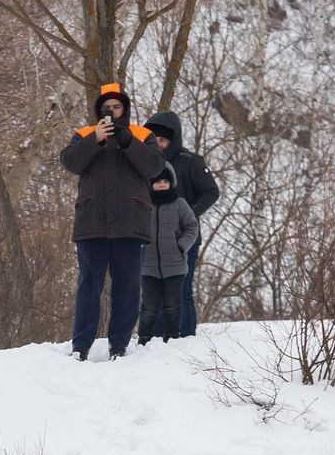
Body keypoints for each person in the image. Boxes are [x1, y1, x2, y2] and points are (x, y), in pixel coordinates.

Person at [59, 81, 168, 360]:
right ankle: (80, 346)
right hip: (91, 222)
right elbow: (70, 162)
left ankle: (118, 345)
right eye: (106, 108)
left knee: (127, 288)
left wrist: (128, 141)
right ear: (99, 111)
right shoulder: (84, 133)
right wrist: (94, 140)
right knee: (89, 287)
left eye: (116, 107)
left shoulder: (142, 135)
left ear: (125, 108)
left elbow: (154, 167)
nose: (111, 112)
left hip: (131, 223)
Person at [141, 111, 218, 336]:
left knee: (181, 291)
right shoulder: (144, 164)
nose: (159, 145)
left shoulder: (190, 162)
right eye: (155, 140)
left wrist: (188, 216)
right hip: (151, 243)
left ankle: (183, 339)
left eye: (163, 140)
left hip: (183, 239)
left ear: (173, 140)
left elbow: (211, 192)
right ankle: (154, 340)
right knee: (153, 292)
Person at [135, 168, 198, 346]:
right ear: (151, 184)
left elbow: (192, 226)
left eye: (165, 181)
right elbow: (134, 226)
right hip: (148, 265)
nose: (162, 184)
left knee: (173, 305)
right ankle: (144, 339)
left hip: (175, 265)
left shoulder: (179, 204)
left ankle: (172, 337)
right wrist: (139, 247)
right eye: (158, 182)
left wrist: (181, 245)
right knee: (149, 307)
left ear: (171, 183)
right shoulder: (143, 203)